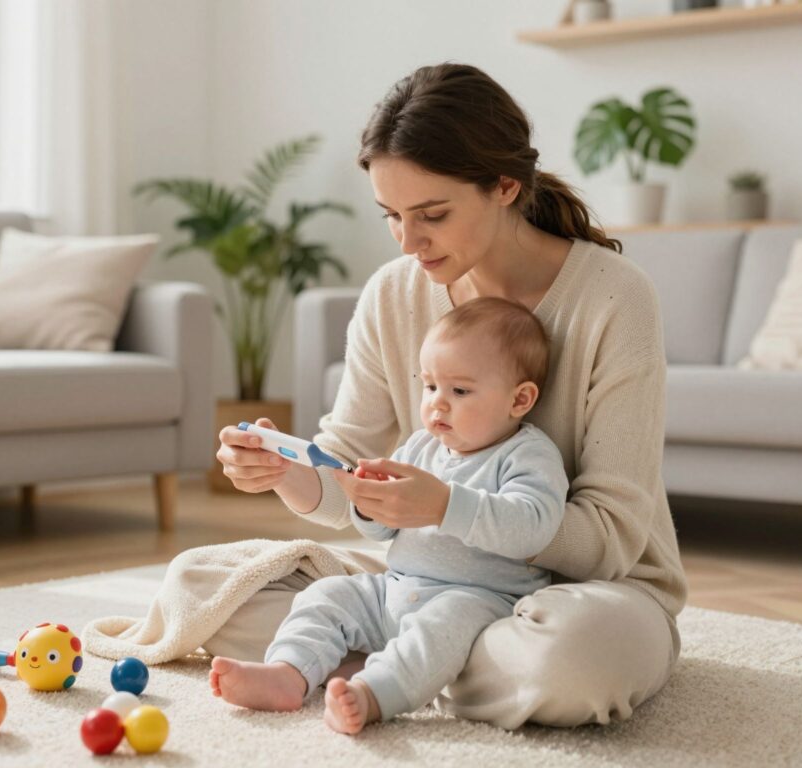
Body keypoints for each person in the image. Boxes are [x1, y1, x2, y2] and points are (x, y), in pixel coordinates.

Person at [212, 62, 687, 730]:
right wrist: (282, 469)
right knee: (205, 586)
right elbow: (345, 471)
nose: (409, 242)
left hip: (581, 595)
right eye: (392, 216)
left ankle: (382, 664)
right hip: (424, 582)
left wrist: (445, 507)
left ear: (504, 186)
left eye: (432, 215)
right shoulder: (392, 293)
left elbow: (608, 542)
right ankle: (406, 664)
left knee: (575, 662)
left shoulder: (614, 297)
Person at [209, 297, 570, 734]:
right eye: (430, 386)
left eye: (459, 391)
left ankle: (373, 695)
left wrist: (444, 504)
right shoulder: (419, 447)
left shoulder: (527, 454)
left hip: (478, 600)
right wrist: (368, 504)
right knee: (327, 596)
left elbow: (532, 527)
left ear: (520, 399)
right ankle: (287, 673)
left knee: (440, 630)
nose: (437, 404)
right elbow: (383, 530)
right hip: (394, 589)